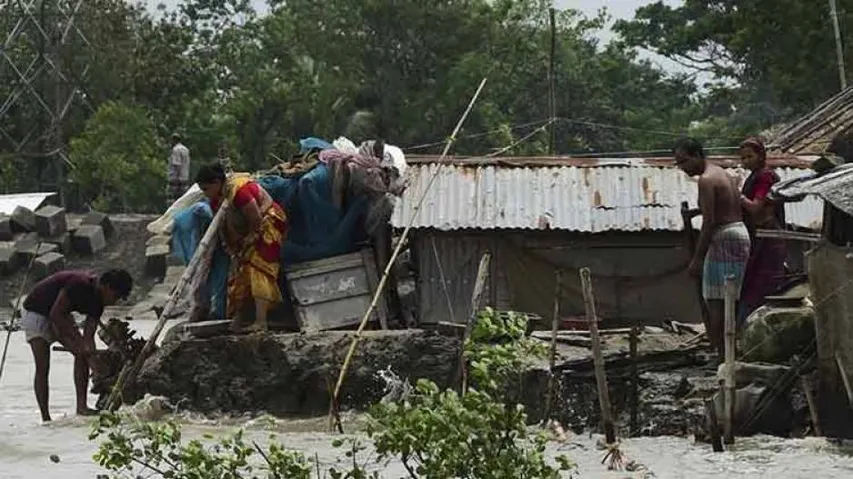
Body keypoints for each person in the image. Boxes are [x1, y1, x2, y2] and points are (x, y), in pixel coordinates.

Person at [20, 269, 133, 421]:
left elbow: (89, 336)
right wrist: (79, 343)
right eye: (116, 296)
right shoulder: (79, 284)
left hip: (60, 314)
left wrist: (92, 358)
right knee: (42, 365)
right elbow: (55, 314)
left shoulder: (98, 303)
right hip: (37, 311)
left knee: (82, 354)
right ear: (105, 287)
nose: (115, 301)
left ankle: (82, 407)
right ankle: (45, 417)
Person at [674, 138, 751, 357]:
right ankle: (729, 352)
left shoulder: (706, 180)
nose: (682, 167)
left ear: (698, 155)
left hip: (724, 237)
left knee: (715, 301)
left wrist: (697, 258)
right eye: (678, 163)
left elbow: (710, 221)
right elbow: (723, 208)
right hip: (738, 233)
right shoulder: (723, 174)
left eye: (684, 161)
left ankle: (721, 355)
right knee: (730, 298)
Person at [195, 163, 288, 333]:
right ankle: (238, 320)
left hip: (266, 226)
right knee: (239, 273)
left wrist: (249, 240)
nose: (205, 193)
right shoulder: (216, 200)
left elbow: (256, 219)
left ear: (217, 182)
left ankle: (261, 322)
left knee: (258, 269)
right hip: (244, 234)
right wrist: (233, 247)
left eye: (206, 189)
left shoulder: (240, 193)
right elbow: (223, 227)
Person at [739, 137, 787, 322]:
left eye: (750, 156)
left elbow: (755, 208)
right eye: (743, 158)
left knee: (764, 285)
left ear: (761, 156)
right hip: (756, 239)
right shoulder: (754, 176)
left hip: (768, 240)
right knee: (751, 284)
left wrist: (738, 196)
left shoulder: (765, 177)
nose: (745, 162)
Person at [168, 133, 191, 205]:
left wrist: (176, 179)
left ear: (174, 140)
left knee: (174, 199)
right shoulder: (186, 149)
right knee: (183, 199)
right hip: (185, 177)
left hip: (177, 178)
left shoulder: (176, 149)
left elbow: (177, 164)